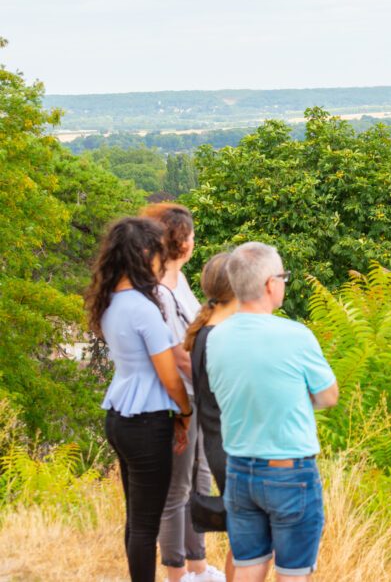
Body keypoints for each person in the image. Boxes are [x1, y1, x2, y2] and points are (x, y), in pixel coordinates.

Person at [207, 242, 339, 582]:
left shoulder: (216, 337)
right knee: (292, 574)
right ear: (270, 284)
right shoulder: (295, 335)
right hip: (289, 470)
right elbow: (328, 396)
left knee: (248, 568)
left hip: (238, 468)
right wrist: (295, 400)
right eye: (283, 276)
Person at [85, 216, 192, 582]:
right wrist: (186, 410)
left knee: (136, 520)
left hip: (119, 416)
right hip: (146, 422)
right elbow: (169, 376)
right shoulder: (144, 309)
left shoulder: (112, 301)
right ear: (145, 255)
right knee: (146, 525)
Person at [139, 203, 224, 582]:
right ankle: (176, 573)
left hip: (198, 396)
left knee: (200, 478)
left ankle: (197, 564)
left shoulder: (179, 282)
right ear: (183, 242)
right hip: (180, 400)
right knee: (178, 490)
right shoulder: (156, 291)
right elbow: (178, 353)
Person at [184, 253, 238, 582]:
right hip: (230, 443)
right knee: (249, 539)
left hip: (220, 441)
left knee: (248, 537)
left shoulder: (207, 330)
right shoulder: (220, 337)